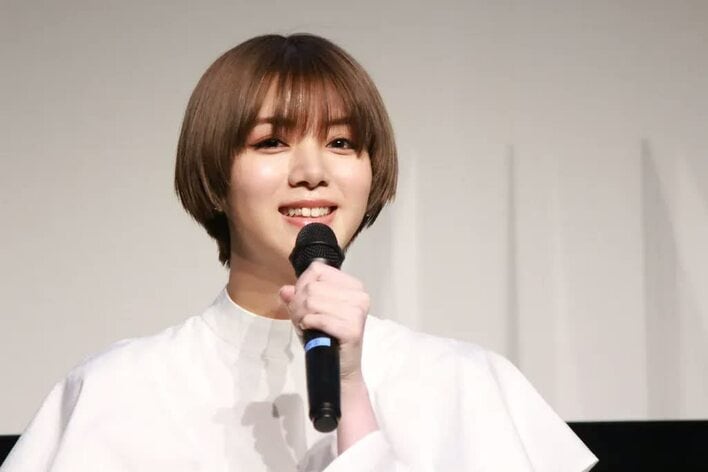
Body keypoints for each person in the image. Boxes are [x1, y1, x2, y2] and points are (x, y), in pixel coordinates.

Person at [1, 34, 598, 471]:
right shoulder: (120, 391)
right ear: (215, 171)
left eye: (341, 141)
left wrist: (352, 388)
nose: (312, 171)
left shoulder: (464, 383)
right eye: (271, 142)